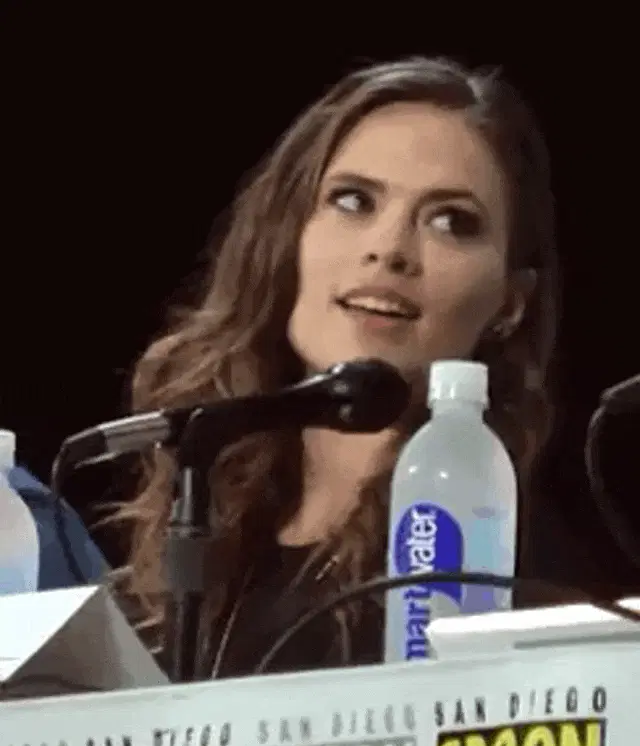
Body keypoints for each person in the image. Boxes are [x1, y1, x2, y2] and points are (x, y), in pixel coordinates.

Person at [111, 55, 566, 679]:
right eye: (353, 201)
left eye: (450, 222)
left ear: (511, 303)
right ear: (286, 237)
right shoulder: (183, 547)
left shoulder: (510, 565)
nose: (389, 250)